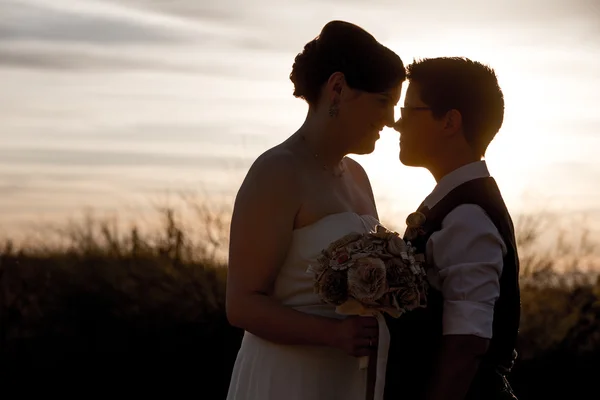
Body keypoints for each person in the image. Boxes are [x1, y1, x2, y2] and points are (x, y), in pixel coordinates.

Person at [225, 21, 405, 400]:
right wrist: (334, 335)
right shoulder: (276, 172)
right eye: (383, 101)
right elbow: (242, 304)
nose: (390, 120)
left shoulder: (358, 176)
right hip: (289, 378)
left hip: (348, 379)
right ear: (338, 88)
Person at [385, 57, 520, 400]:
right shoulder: (454, 204)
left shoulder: (468, 216)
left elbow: (466, 345)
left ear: (449, 121)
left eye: (409, 111)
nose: (397, 124)